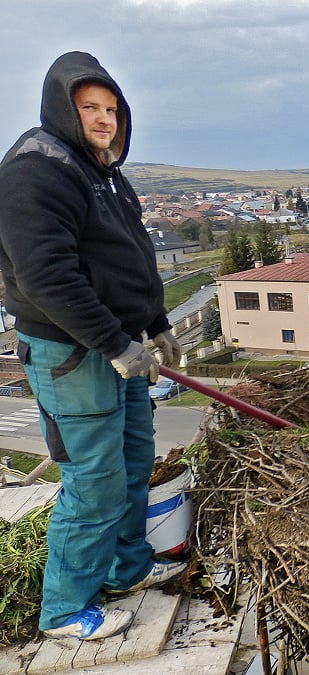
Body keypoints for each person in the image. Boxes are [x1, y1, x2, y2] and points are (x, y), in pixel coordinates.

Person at [0, 52, 187, 640]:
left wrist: (156, 323)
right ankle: (63, 611)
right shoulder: (37, 170)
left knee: (134, 463)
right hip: (74, 353)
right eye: (89, 108)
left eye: (110, 109)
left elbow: (128, 258)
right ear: (62, 109)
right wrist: (112, 341)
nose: (104, 119)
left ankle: (126, 570)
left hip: (120, 345)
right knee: (95, 480)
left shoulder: (99, 169)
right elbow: (45, 277)